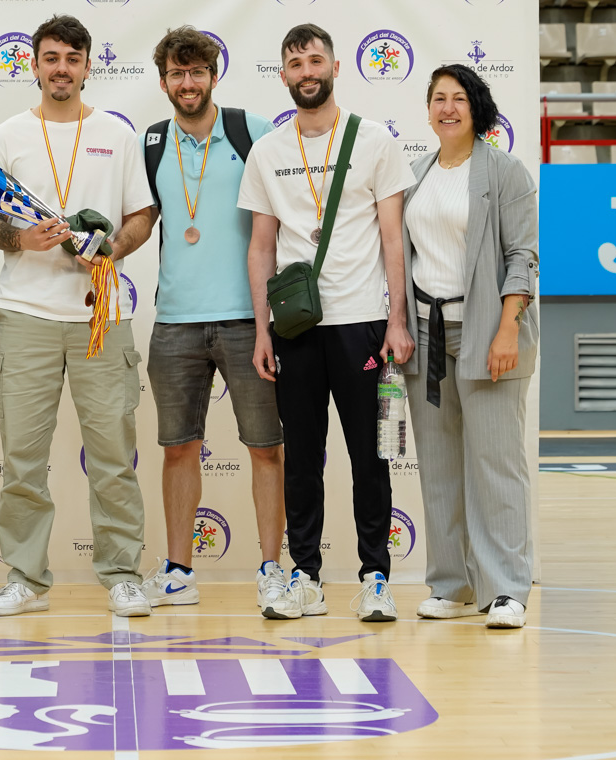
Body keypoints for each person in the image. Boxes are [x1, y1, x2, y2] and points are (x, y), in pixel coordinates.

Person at [0, 14, 155, 617]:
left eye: (72, 58)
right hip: (26, 314)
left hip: (101, 313)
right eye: (51, 57)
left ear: (87, 66)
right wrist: (21, 239)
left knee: (113, 457)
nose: (61, 68)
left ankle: (123, 573)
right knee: (23, 459)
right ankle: (25, 578)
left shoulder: (117, 135)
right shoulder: (7, 135)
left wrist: (112, 249)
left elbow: (141, 214)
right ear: (34, 64)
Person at [238, 23, 416, 622]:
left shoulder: (375, 141)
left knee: (371, 455)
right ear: (283, 75)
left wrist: (396, 320)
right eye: (296, 64)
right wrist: (262, 330)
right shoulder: (268, 151)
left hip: (362, 322)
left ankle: (375, 579)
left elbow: (393, 239)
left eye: (315, 61)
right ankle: (306, 577)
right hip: (294, 329)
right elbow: (261, 247)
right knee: (302, 458)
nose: (306, 72)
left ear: (335, 67)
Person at [137, 26, 297, 619]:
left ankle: (272, 571)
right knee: (178, 449)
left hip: (248, 321)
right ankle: (178, 572)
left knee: (266, 449)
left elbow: (287, 214)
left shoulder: (252, 131)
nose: (188, 82)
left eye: (197, 71)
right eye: (177, 74)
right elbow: (139, 218)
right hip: (175, 321)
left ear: (213, 75)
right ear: (163, 82)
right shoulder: (151, 142)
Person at [402, 64, 538, 629]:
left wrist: (507, 330)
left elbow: (523, 256)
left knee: (495, 464)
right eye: (439, 98)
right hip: (426, 333)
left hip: (487, 331)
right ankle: (450, 584)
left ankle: (505, 589)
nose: (448, 107)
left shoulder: (504, 171)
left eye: (458, 98)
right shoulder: (415, 173)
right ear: (428, 109)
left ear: (476, 107)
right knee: (438, 467)